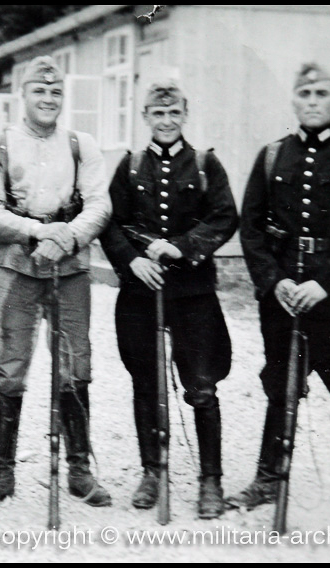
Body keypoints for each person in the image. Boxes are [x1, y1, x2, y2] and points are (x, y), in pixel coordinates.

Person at [231, 63, 330, 528]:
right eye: (305, 92)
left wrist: (327, 283)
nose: (313, 100)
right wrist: (273, 281)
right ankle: (267, 478)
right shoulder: (271, 156)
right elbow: (252, 229)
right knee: (281, 386)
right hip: (284, 297)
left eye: (322, 92)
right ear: (294, 101)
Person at [0, 56, 113, 513]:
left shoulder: (80, 144)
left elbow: (99, 205)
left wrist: (69, 235)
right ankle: (2, 474)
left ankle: (79, 469)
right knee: (9, 365)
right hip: (15, 266)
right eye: (38, 91)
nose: (47, 99)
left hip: (69, 267)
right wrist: (37, 232)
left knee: (75, 363)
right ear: (22, 95)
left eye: (55, 93)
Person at [99, 79, 239, 518]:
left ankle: (210, 481)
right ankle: (152, 470)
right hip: (143, 287)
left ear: (185, 115)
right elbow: (110, 222)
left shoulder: (204, 164)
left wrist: (184, 245)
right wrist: (131, 261)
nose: (166, 120)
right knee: (146, 380)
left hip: (191, 289)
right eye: (157, 113)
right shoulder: (130, 166)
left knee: (200, 385)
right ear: (145, 117)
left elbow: (224, 218)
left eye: (173, 112)